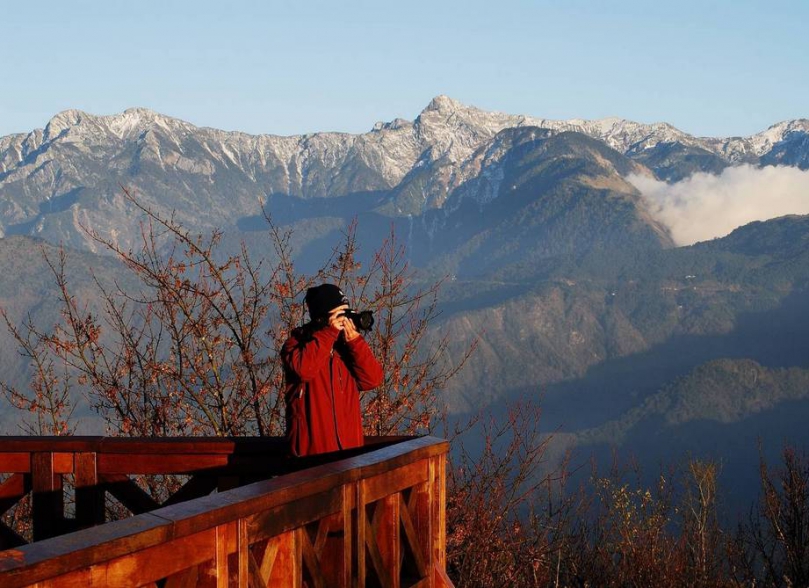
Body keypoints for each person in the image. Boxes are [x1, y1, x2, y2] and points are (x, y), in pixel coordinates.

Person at [282, 283, 384, 457]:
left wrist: (356, 343)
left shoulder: (347, 348)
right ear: (323, 318)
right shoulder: (296, 344)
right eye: (340, 315)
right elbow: (304, 370)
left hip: (350, 455)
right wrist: (328, 334)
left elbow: (373, 380)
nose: (345, 321)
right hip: (311, 460)